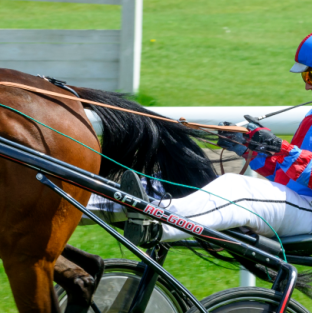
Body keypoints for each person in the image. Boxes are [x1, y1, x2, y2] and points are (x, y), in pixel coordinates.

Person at [123, 33, 312, 247]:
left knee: (236, 189)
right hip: (299, 205)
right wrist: (252, 150)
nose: (307, 86)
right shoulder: (310, 116)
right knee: (189, 179)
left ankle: (159, 223)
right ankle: (102, 203)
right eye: (305, 77)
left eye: (310, 76)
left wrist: (282, 149)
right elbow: (290, 176)